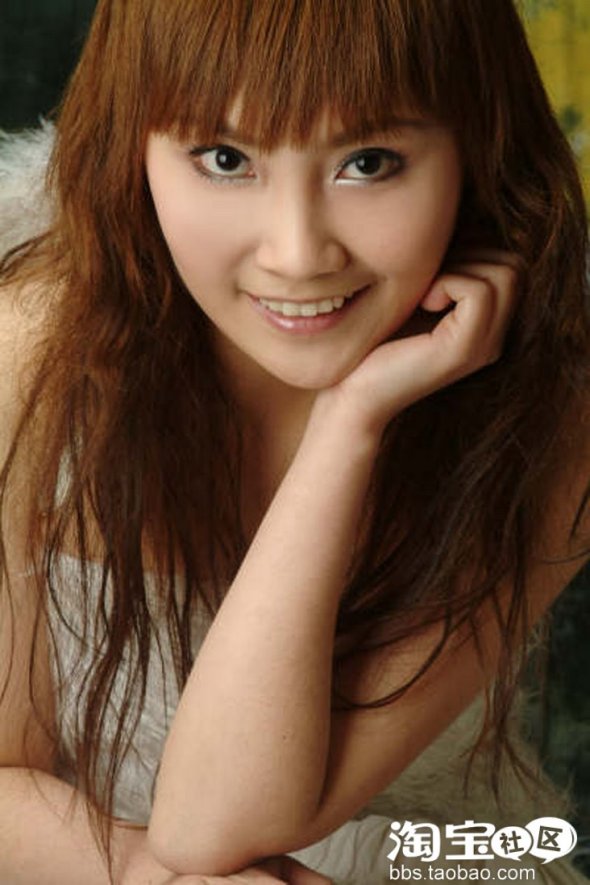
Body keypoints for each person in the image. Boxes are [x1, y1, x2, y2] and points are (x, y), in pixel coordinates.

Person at [0, 0, 589, 882]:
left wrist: (348, 425)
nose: (298, 253)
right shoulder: (32, 350)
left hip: (451, 862)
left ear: (476, 147)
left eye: (369, 162)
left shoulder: (557, 413)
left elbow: (215, 824)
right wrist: (142, 874)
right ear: (133, 147)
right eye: (225, 159)